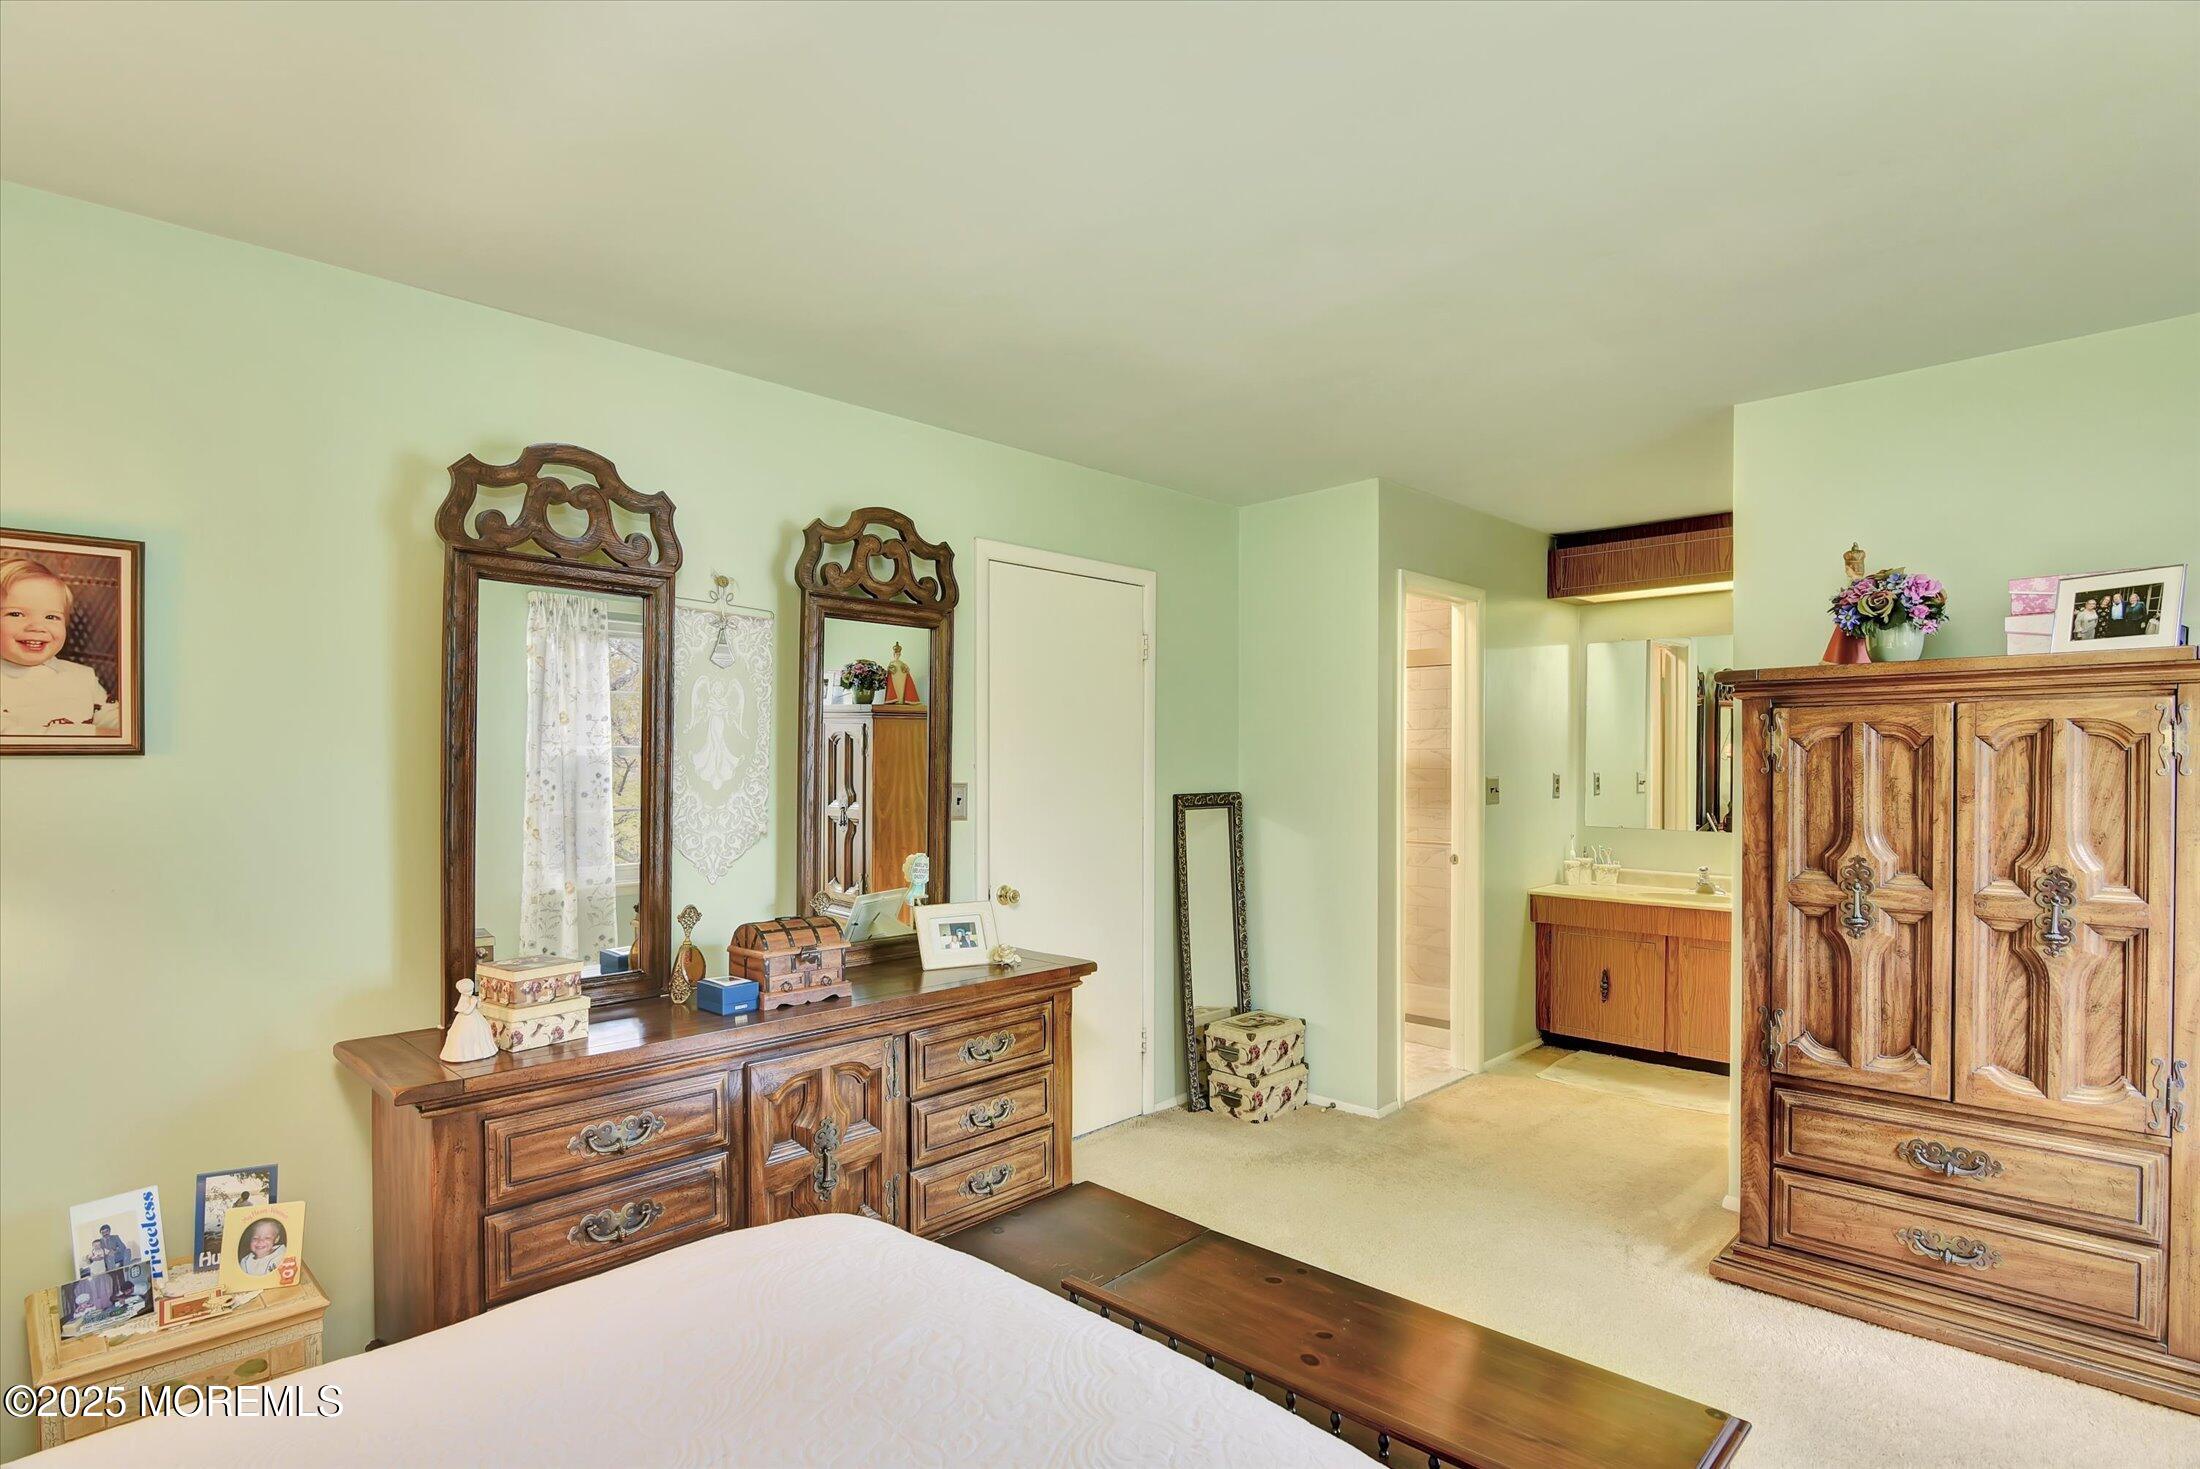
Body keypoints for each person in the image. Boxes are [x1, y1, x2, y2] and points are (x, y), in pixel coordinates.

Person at [0, 557, 110, 734]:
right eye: (16, 614)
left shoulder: (82, 676)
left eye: (51, 617)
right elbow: (8, 734)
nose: (37, 627)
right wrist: (94, 734)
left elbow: (113, 717)